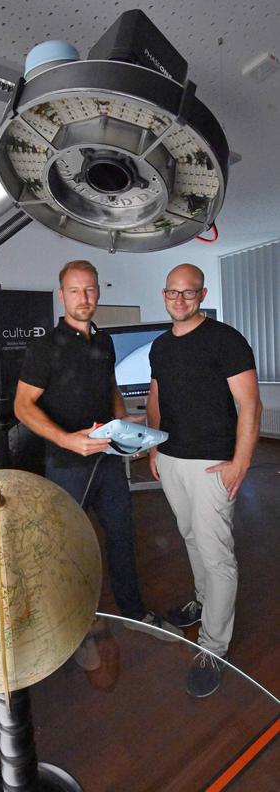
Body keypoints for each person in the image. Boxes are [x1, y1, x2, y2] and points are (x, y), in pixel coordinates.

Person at [14, 259, 181, 642]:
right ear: (62, 296)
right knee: (66, 545)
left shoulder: (104, 341)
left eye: (89, 289)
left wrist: (124, 431)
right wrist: (67, 439)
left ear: (98, 292)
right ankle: (67, 623)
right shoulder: (44, 347)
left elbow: (111, 390)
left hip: (106, 461)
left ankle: (134, 613)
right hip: (66, 465)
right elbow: (23, 407)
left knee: (122, 536)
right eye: (75, 290)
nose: (83, 297)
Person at [147, 263, 262, 698]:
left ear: (201, 294)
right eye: (172, 293)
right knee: (192, 537)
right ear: (164, 295)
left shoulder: (225, 340)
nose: (179, 300)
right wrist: (155, 446)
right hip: (172, 460)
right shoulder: (160, 345)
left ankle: (214, 646)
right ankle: (201, 601)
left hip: (214, 463)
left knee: (217, 555)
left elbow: (250, 404)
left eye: (188, 293)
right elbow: (157, 395)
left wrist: (241, 463)